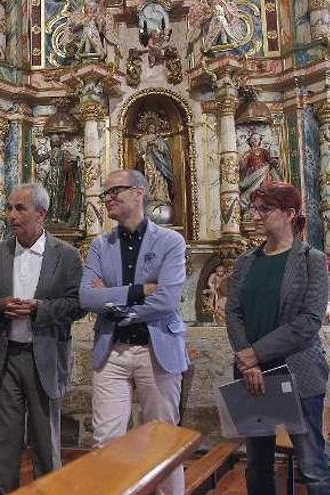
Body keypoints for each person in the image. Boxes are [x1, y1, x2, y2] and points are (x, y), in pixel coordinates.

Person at [79, 169, 188, 495]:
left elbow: (168, 299)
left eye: (115, 191)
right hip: (111, 351)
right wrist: (140, 291)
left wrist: (114, 301)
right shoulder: (101, 245)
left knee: (162, 440)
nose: (108, 198)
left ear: (139, 192)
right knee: (107, 440)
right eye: (105, 194)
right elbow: (86, 297)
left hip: (157, 351)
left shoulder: (170, 241)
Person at [225, 181, 330, 495]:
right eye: (254, 209)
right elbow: (233, 312)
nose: (256, 216)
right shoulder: (246, 261)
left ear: (289, 213)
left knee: (312, 465)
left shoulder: (310, 259)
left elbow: (308, 322)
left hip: (297, 372)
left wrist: (254, 354)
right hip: (251, 375)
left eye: (264, 209)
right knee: (257, 465)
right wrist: (248, 361)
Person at [0, 183, 85, 495]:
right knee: (3, 442)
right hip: (6, 355)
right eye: (9, 208)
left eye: (20, 208)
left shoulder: (66, 256)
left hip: (45, 357)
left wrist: (39, 309)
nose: (11, 215)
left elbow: (77, 304)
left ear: (41, 214)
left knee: (45, 442)